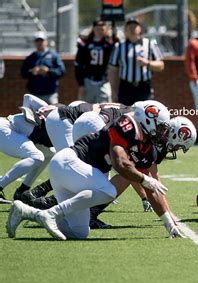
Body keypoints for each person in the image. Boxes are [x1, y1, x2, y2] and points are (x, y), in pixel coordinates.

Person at [6, 101, 186, 241]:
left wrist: (168, 223)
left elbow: (149, 188)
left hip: (73, 174)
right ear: (148, 119)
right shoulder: (127, 124)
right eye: (161, 127)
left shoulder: (147, 147)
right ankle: (50, 213)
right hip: (69, 163)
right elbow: (120, 163)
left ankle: (26, 211)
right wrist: (145, 179)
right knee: (108, 191)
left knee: (78, 232)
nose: (163, 133)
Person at [0, 94, 55, 202]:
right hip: (7, 127)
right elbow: (27, 97)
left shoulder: (68, 124)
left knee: (49, 153)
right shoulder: (55, 113)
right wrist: (28, 116)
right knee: (36, 157)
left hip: (14, 132)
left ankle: (22, 191)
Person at [108, 18, 164, 106]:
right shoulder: (119, 46)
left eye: (135, 26)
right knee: (125, 116)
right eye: (129, 26)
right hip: (125, 87)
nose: (132, 28)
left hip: (143, 87)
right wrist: (113, 91)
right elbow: (112, 70)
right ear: (125, 30)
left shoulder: (150, 44)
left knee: (143, 115)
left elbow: (161, 65)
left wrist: (147, 63)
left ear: (140, 29)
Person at [75, 19, 117, 103]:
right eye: (98, 27)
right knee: (85, 109)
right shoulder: (85, 43)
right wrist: (81, 84)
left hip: (103, 82)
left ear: (106, 29)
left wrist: (114, 33)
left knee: (104, 110)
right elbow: (78, 65)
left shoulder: (109, 43)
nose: (100, 30)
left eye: (102, 28)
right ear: (93, 28)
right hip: (88, 81)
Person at [20, 31, 65, 104]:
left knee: (52, 114)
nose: (39, 42)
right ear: (34, 43)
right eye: (37, 40)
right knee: (31, 114)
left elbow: (61, 71)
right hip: (33, 94)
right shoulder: (30, 57)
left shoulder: (54, 55)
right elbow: (23, 73)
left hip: (50, 94)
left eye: (41, 40)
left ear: (46, 41)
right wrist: (32, 72)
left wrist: (48, 71)